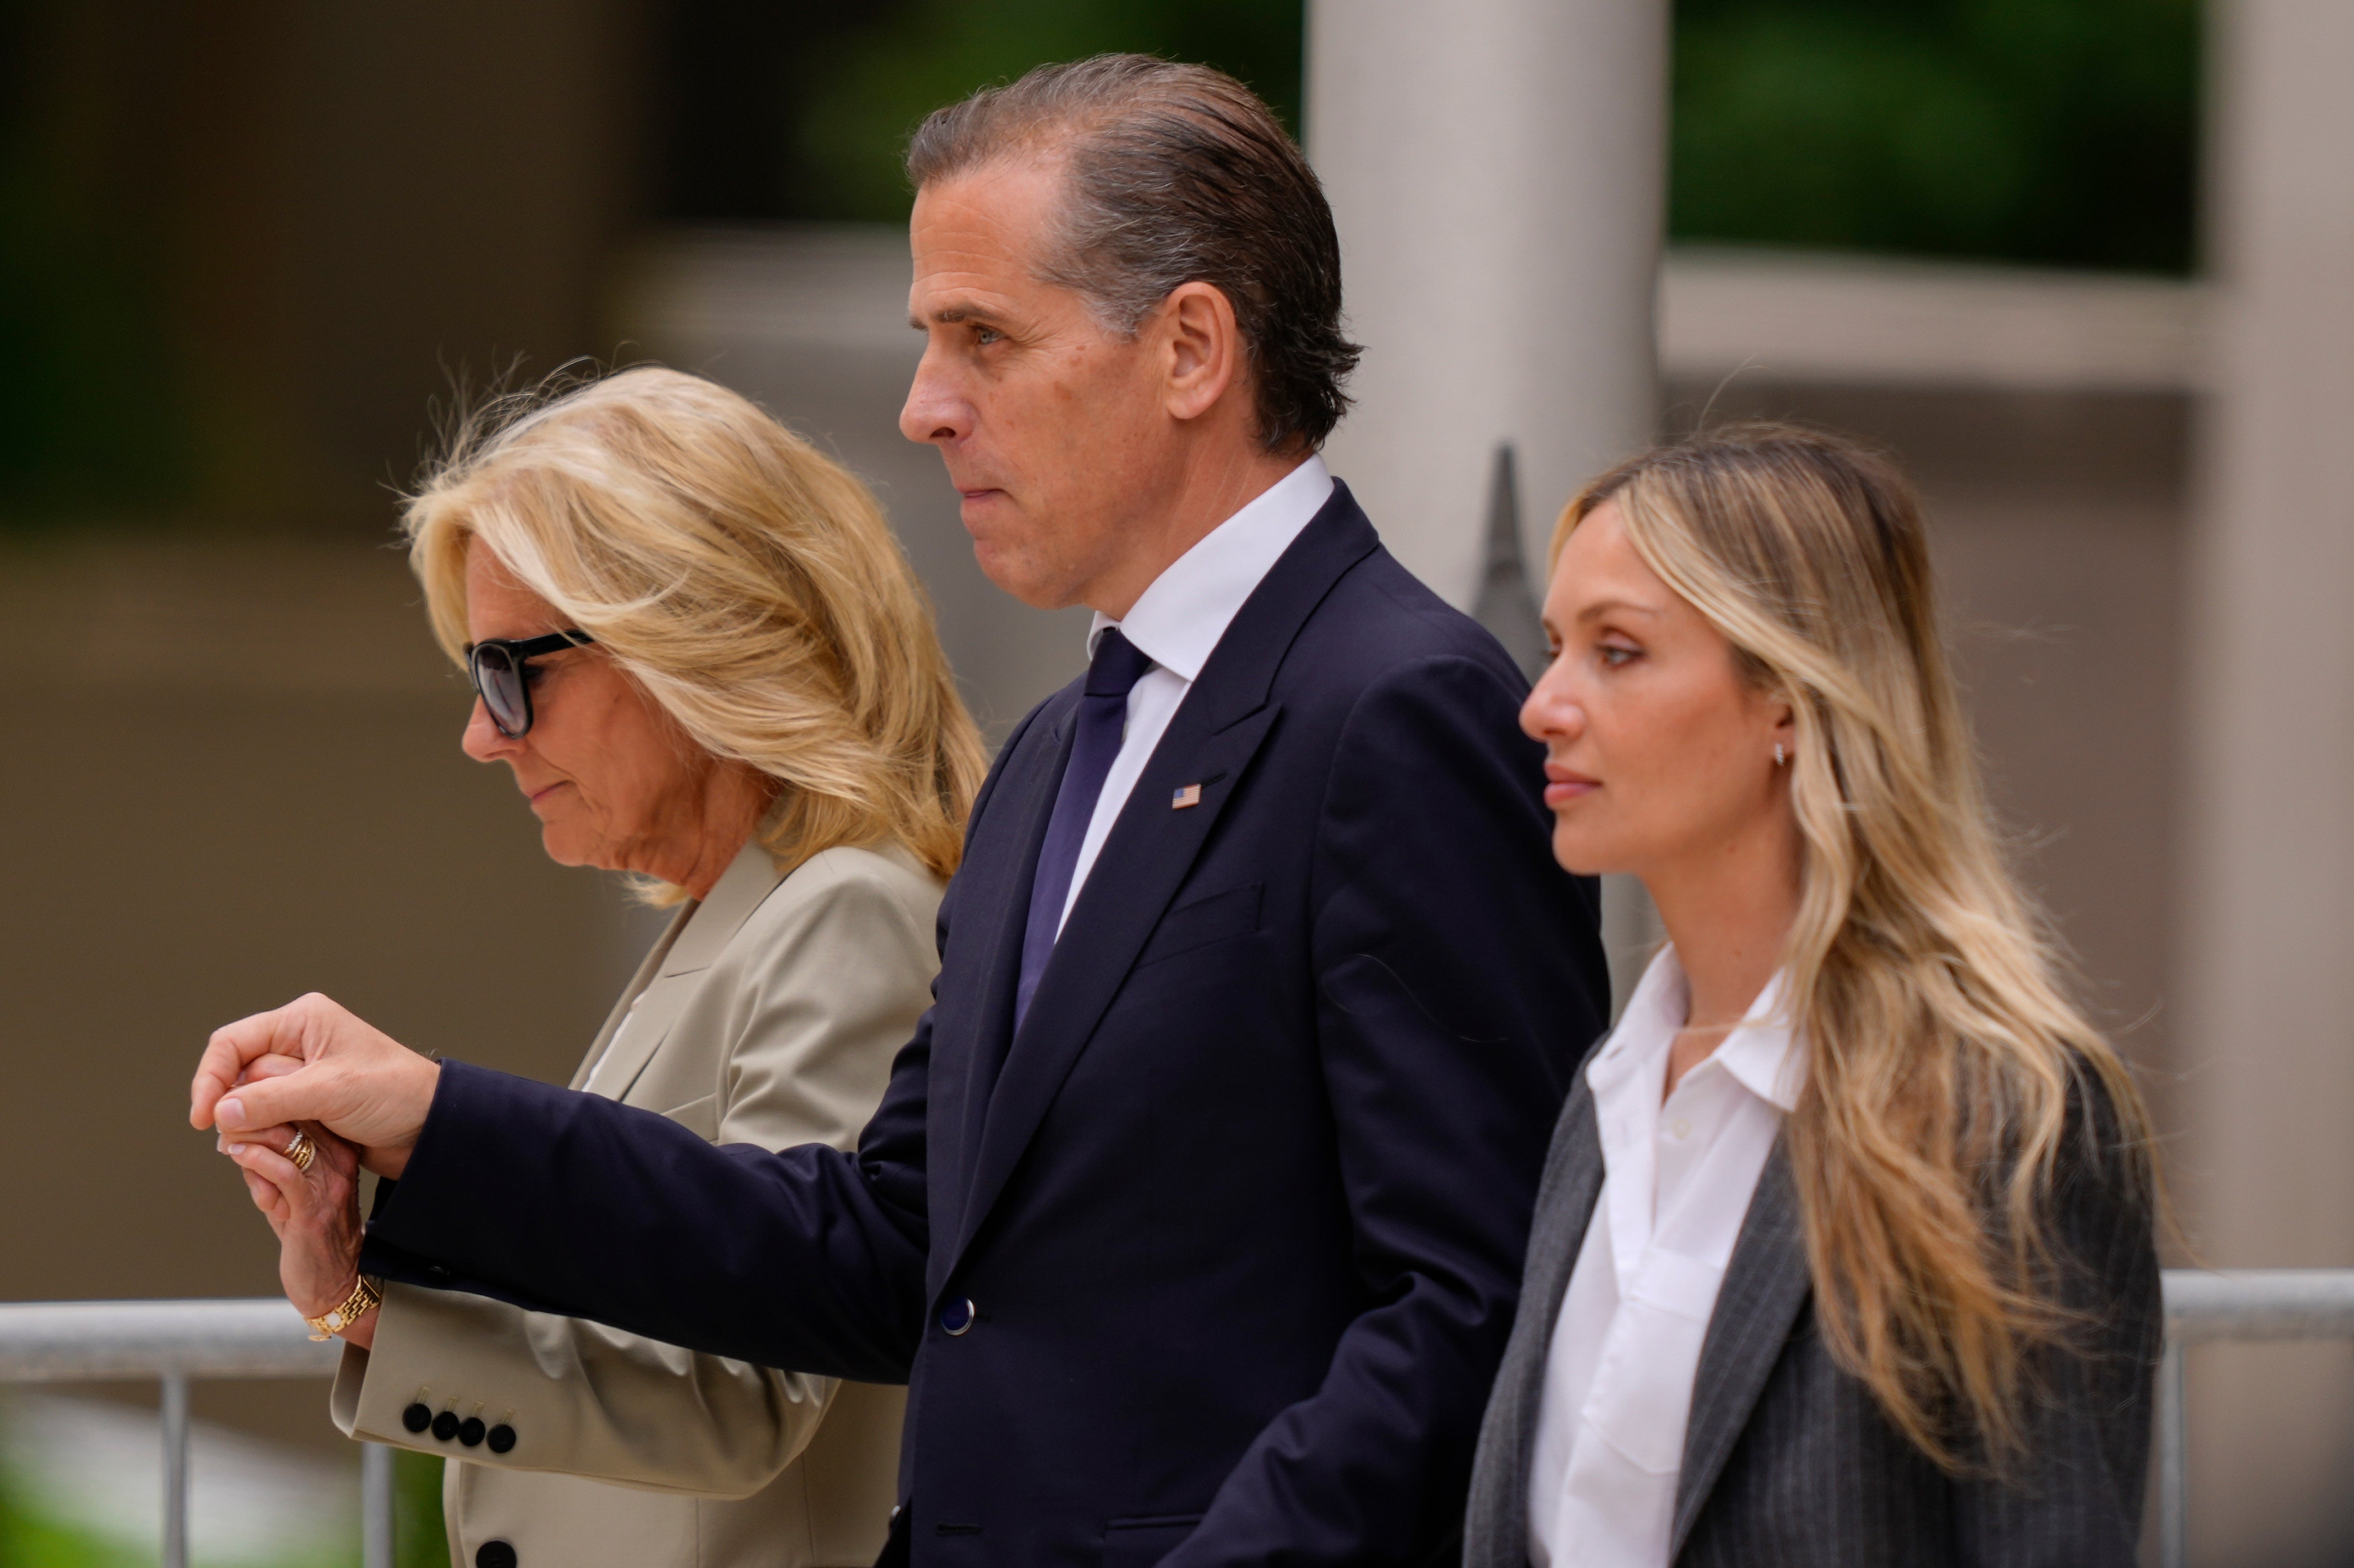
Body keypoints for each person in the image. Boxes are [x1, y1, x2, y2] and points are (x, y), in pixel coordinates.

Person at [193, 55, 1610, 1568]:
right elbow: (872, 1250)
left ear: (1192, 347)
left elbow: (1474, 1305)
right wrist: (433, 1124)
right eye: (931, 341)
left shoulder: (1397, 706)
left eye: (984, 339)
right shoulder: (1063, 748)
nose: (926, 407)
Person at [218, 366, 985, 1568]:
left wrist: (427, 1122)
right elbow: (654, 1329)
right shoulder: (752, 909)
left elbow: (749, 1387)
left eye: (511, 672)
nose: (482, 733)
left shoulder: (846, 911)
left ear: (695, 638)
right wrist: (357, 1294)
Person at [1464, 423, 2162, 1567]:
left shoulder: (2004, 1117)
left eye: (1618, 651)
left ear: (1787, 696)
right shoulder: (1605, 1099)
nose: (1543, 704)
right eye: (1553, 648)